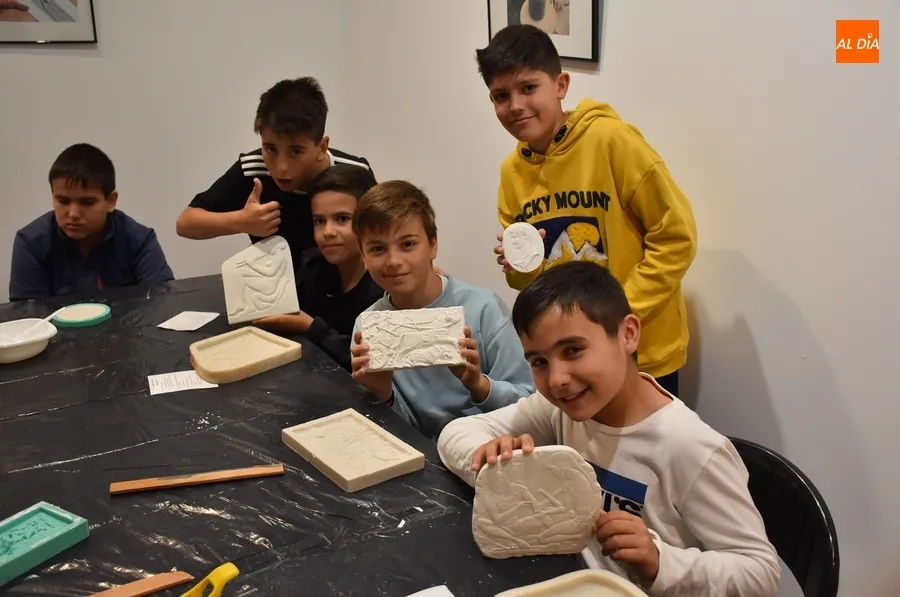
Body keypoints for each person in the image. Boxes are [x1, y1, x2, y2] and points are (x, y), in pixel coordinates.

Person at [437, 261, 780, 596]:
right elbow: (454, 435)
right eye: (539, 361)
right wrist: (491, 461)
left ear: (628, 334)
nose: (557, 380)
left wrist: (661, 561)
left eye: (573, 350)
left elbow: (761, 575)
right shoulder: (560, 409)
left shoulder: (691, 448)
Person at [478, 25, 697, 396]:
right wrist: (518, 266)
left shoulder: (612, 142)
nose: (515, 105)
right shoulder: (511, 173)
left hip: (641, 351)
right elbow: (529, 279)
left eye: (528, 87)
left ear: (561, 85)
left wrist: (615, 314)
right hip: (571, 356)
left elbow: (676, 238)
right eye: (501, 95)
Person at [349, 181, 534, 439]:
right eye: (378, 249)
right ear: (363, 255)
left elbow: (531, 405)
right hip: (419, 456)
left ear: (433, 244)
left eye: (408, 244)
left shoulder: (484, 309)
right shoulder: (368, 326)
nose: (394, 261)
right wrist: (382, 394)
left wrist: (478, 384)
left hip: (492, 448)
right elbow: (390, 436)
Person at [175, 77, 373, 262]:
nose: (281, 167)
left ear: (322, 147)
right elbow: (185, 223)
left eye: (296, 151)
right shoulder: (253, 170)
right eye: (270, 149)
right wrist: (241, 221)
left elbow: (382, 232)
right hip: (275, 284)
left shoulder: (355, 174)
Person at [254, 165, 383, 371]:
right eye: (319, 221)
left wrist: (310, 326)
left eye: (342, 219)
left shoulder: (385, 285)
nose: (328, 231)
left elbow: (371, 361)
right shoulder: (315, 269)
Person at [9, 143, 174, 301]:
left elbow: (161, 303)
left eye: (87, 202)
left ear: (111, 201)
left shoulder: (139, 240)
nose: (73, 214)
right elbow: (28, 316)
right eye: (63, 201)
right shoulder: (31, 243)